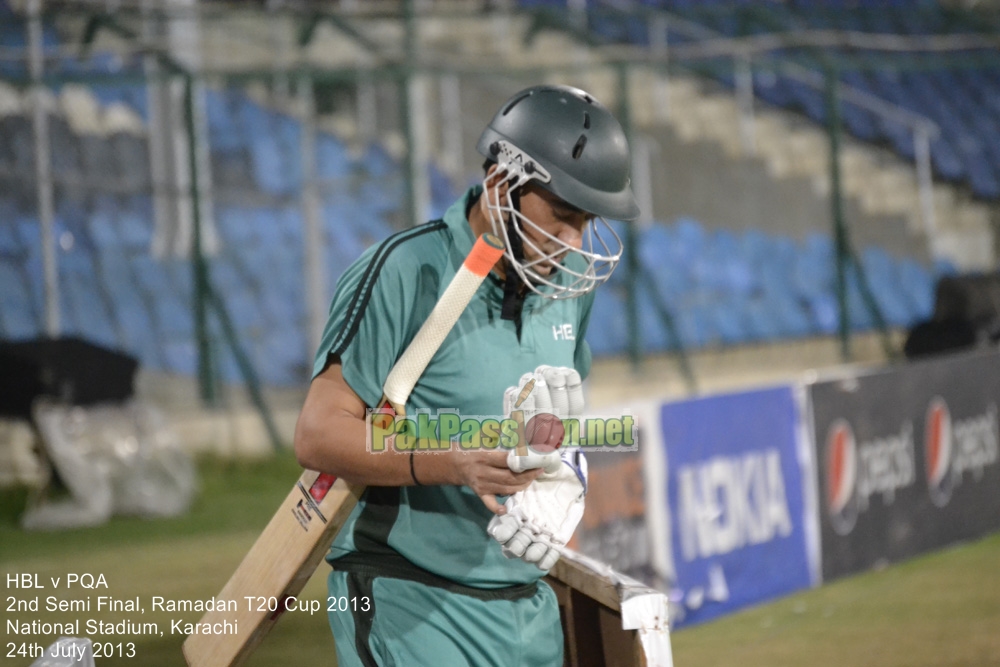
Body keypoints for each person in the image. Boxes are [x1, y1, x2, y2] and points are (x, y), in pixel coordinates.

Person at [294, 84, 640, 666]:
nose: (575, 242)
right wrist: (452, 460)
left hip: (527, 605)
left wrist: (563, 473)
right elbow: (318, 434)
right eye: (561, 215)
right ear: (503, 182)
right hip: (409, 603)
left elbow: (554, 426)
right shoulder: (406, 269)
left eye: (586, 221)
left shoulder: (570, 286)